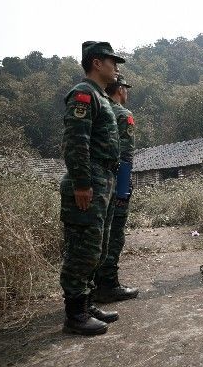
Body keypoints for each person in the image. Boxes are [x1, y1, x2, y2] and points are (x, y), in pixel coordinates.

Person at [59, 41, 124, 335]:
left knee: (96, 246)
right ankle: (75, 315)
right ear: (97, 63)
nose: (116, 67)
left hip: (103, 180)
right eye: (112, 61)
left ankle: (86, 304)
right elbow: (76, 143)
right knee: (82, 249)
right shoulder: (84, 94)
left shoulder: (100, 96)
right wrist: (82, 183)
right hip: (89, 182)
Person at [93, 74, 140, 302]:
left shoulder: (98, 108)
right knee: (115, 233)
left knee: (98, 234)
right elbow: (126, 155)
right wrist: (123, 189)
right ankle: (108, 284)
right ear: (120, 89)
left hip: (95, 183)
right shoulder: (122, 114)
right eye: (126, 89)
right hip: (114, 184)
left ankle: (93, 284)